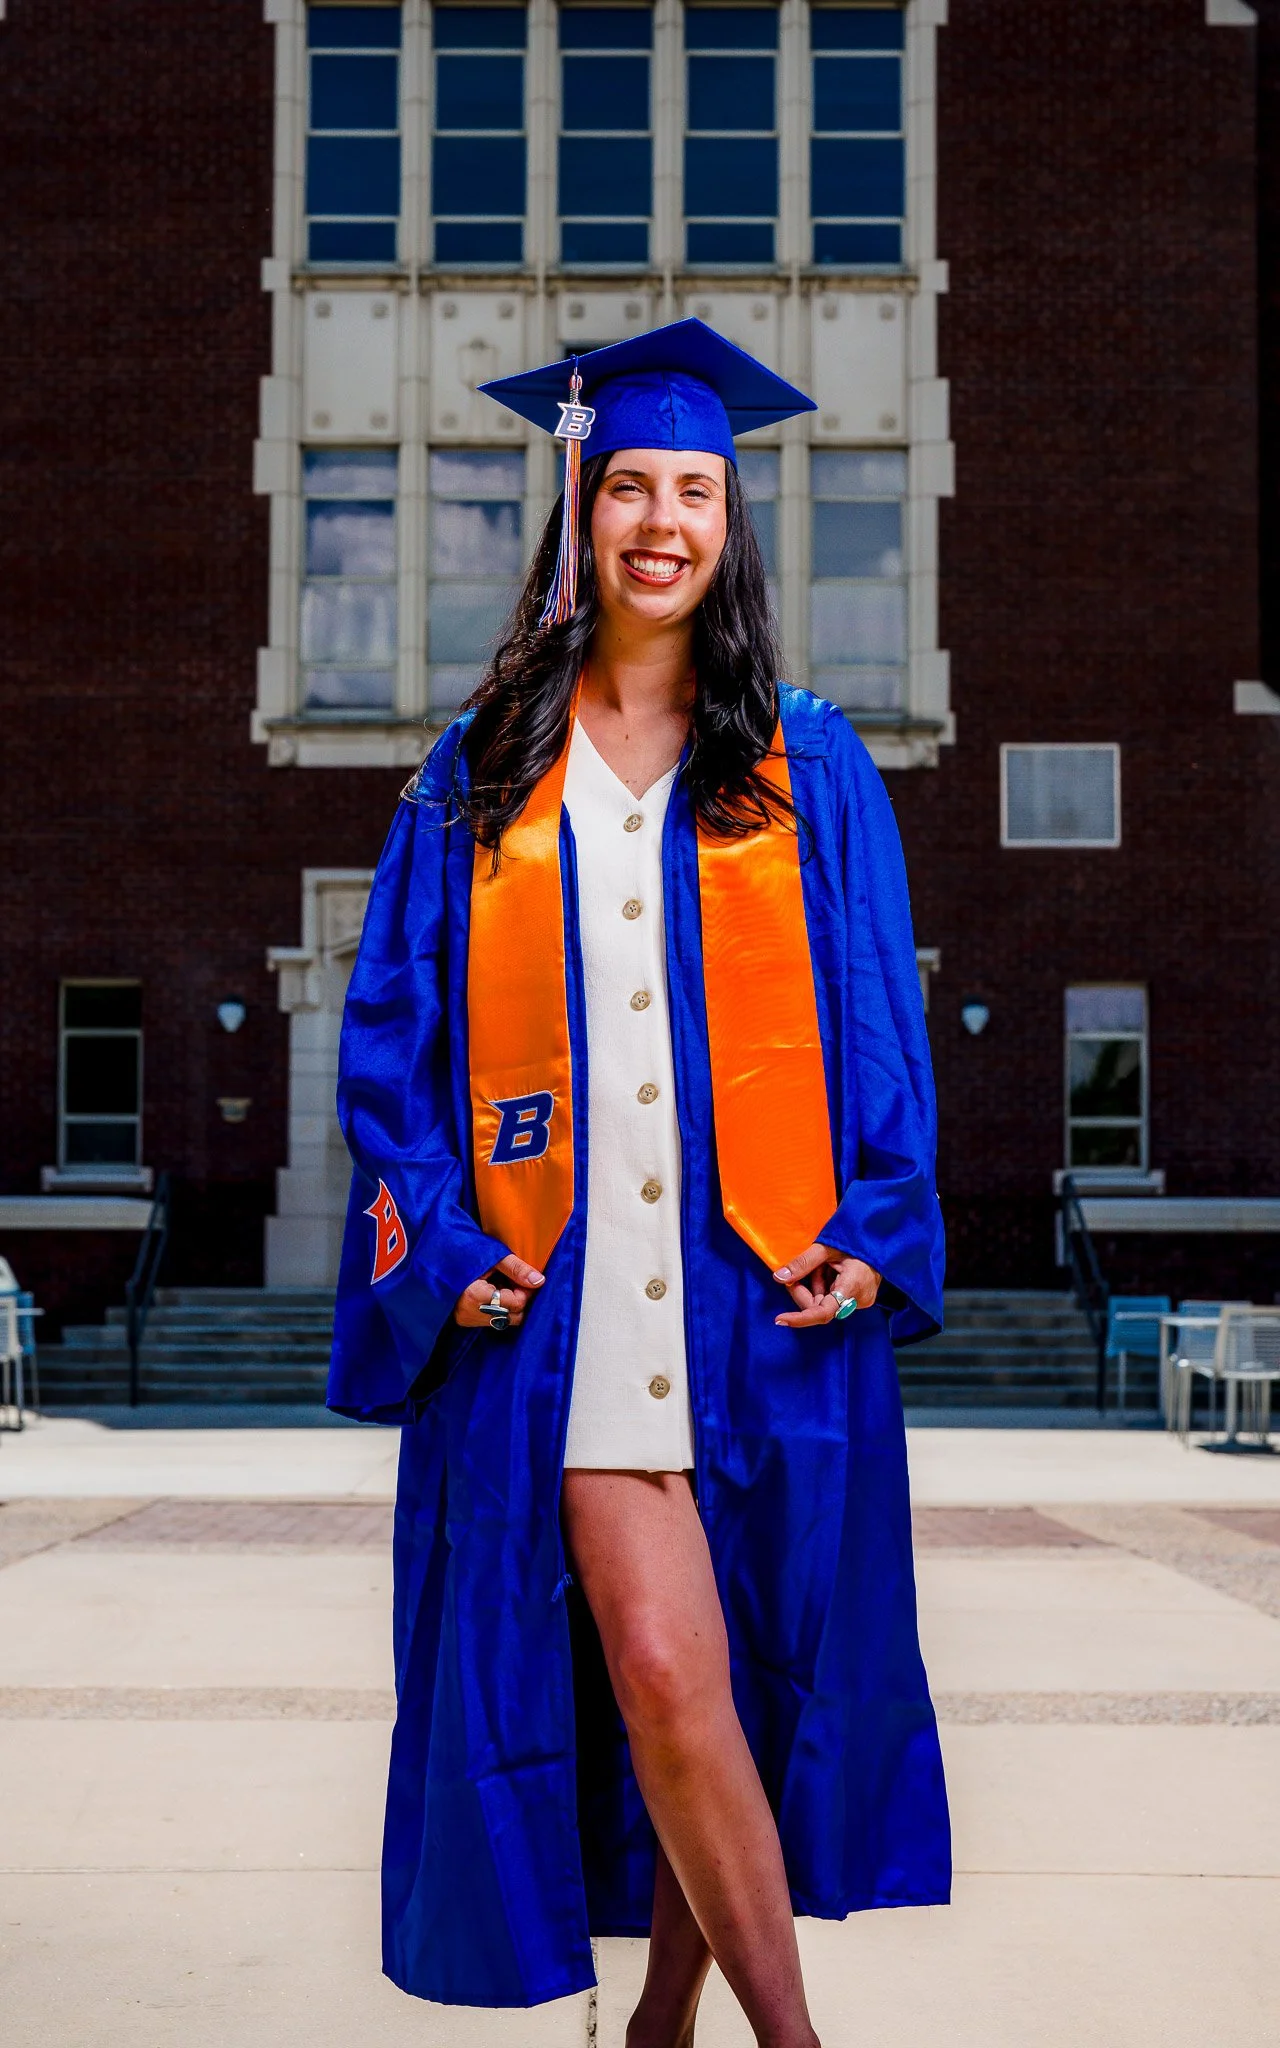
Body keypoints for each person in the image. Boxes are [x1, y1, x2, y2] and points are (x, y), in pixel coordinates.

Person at [328, 320, 949, 2045]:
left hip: (759, 1302)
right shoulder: (482, 767)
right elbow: (391, 1042)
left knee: (727, 1687)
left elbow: (880, 1019)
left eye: (696, 492)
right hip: (564, 1308)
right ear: (580, 510)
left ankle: (663, 2029)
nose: (662, 523)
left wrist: (877, 1228)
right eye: (630, 489)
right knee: (667, 1668)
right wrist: (435, 1245)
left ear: (731, 525)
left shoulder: (806, 763)